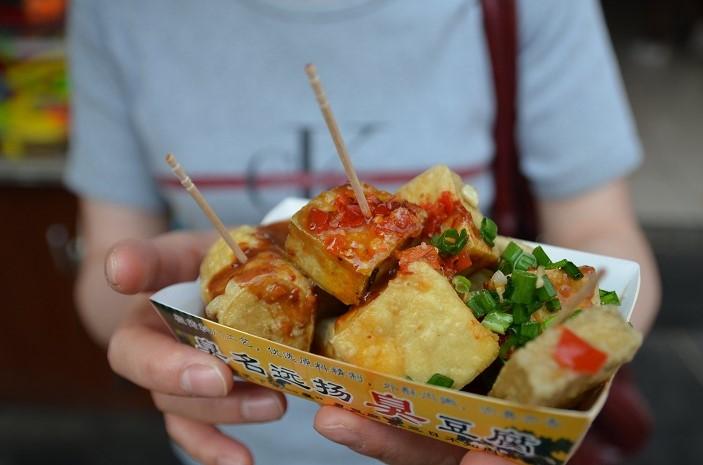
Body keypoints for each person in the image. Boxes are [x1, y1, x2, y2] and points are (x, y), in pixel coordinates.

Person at [66, 0, 661, 464]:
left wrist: (568, 372)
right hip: (239, 442)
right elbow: (104, 283)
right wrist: (148, 316)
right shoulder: (117, 12)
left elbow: (602, 232)